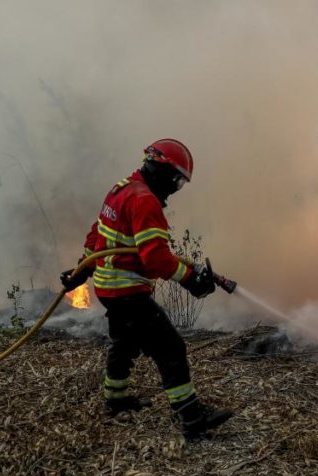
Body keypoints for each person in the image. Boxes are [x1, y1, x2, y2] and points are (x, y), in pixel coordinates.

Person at [60, 138, 232, 440]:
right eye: (177, 181)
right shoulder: (145, 201)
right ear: (163, 172)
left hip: (108, 288)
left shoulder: (122, 189)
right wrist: (190, 280)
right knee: (171, 347)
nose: (176, 189)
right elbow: (155, 258)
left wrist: (83, 269)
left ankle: (115, 398)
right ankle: (191, 416)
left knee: (125, 342)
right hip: (128, 291)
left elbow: (97, 233)